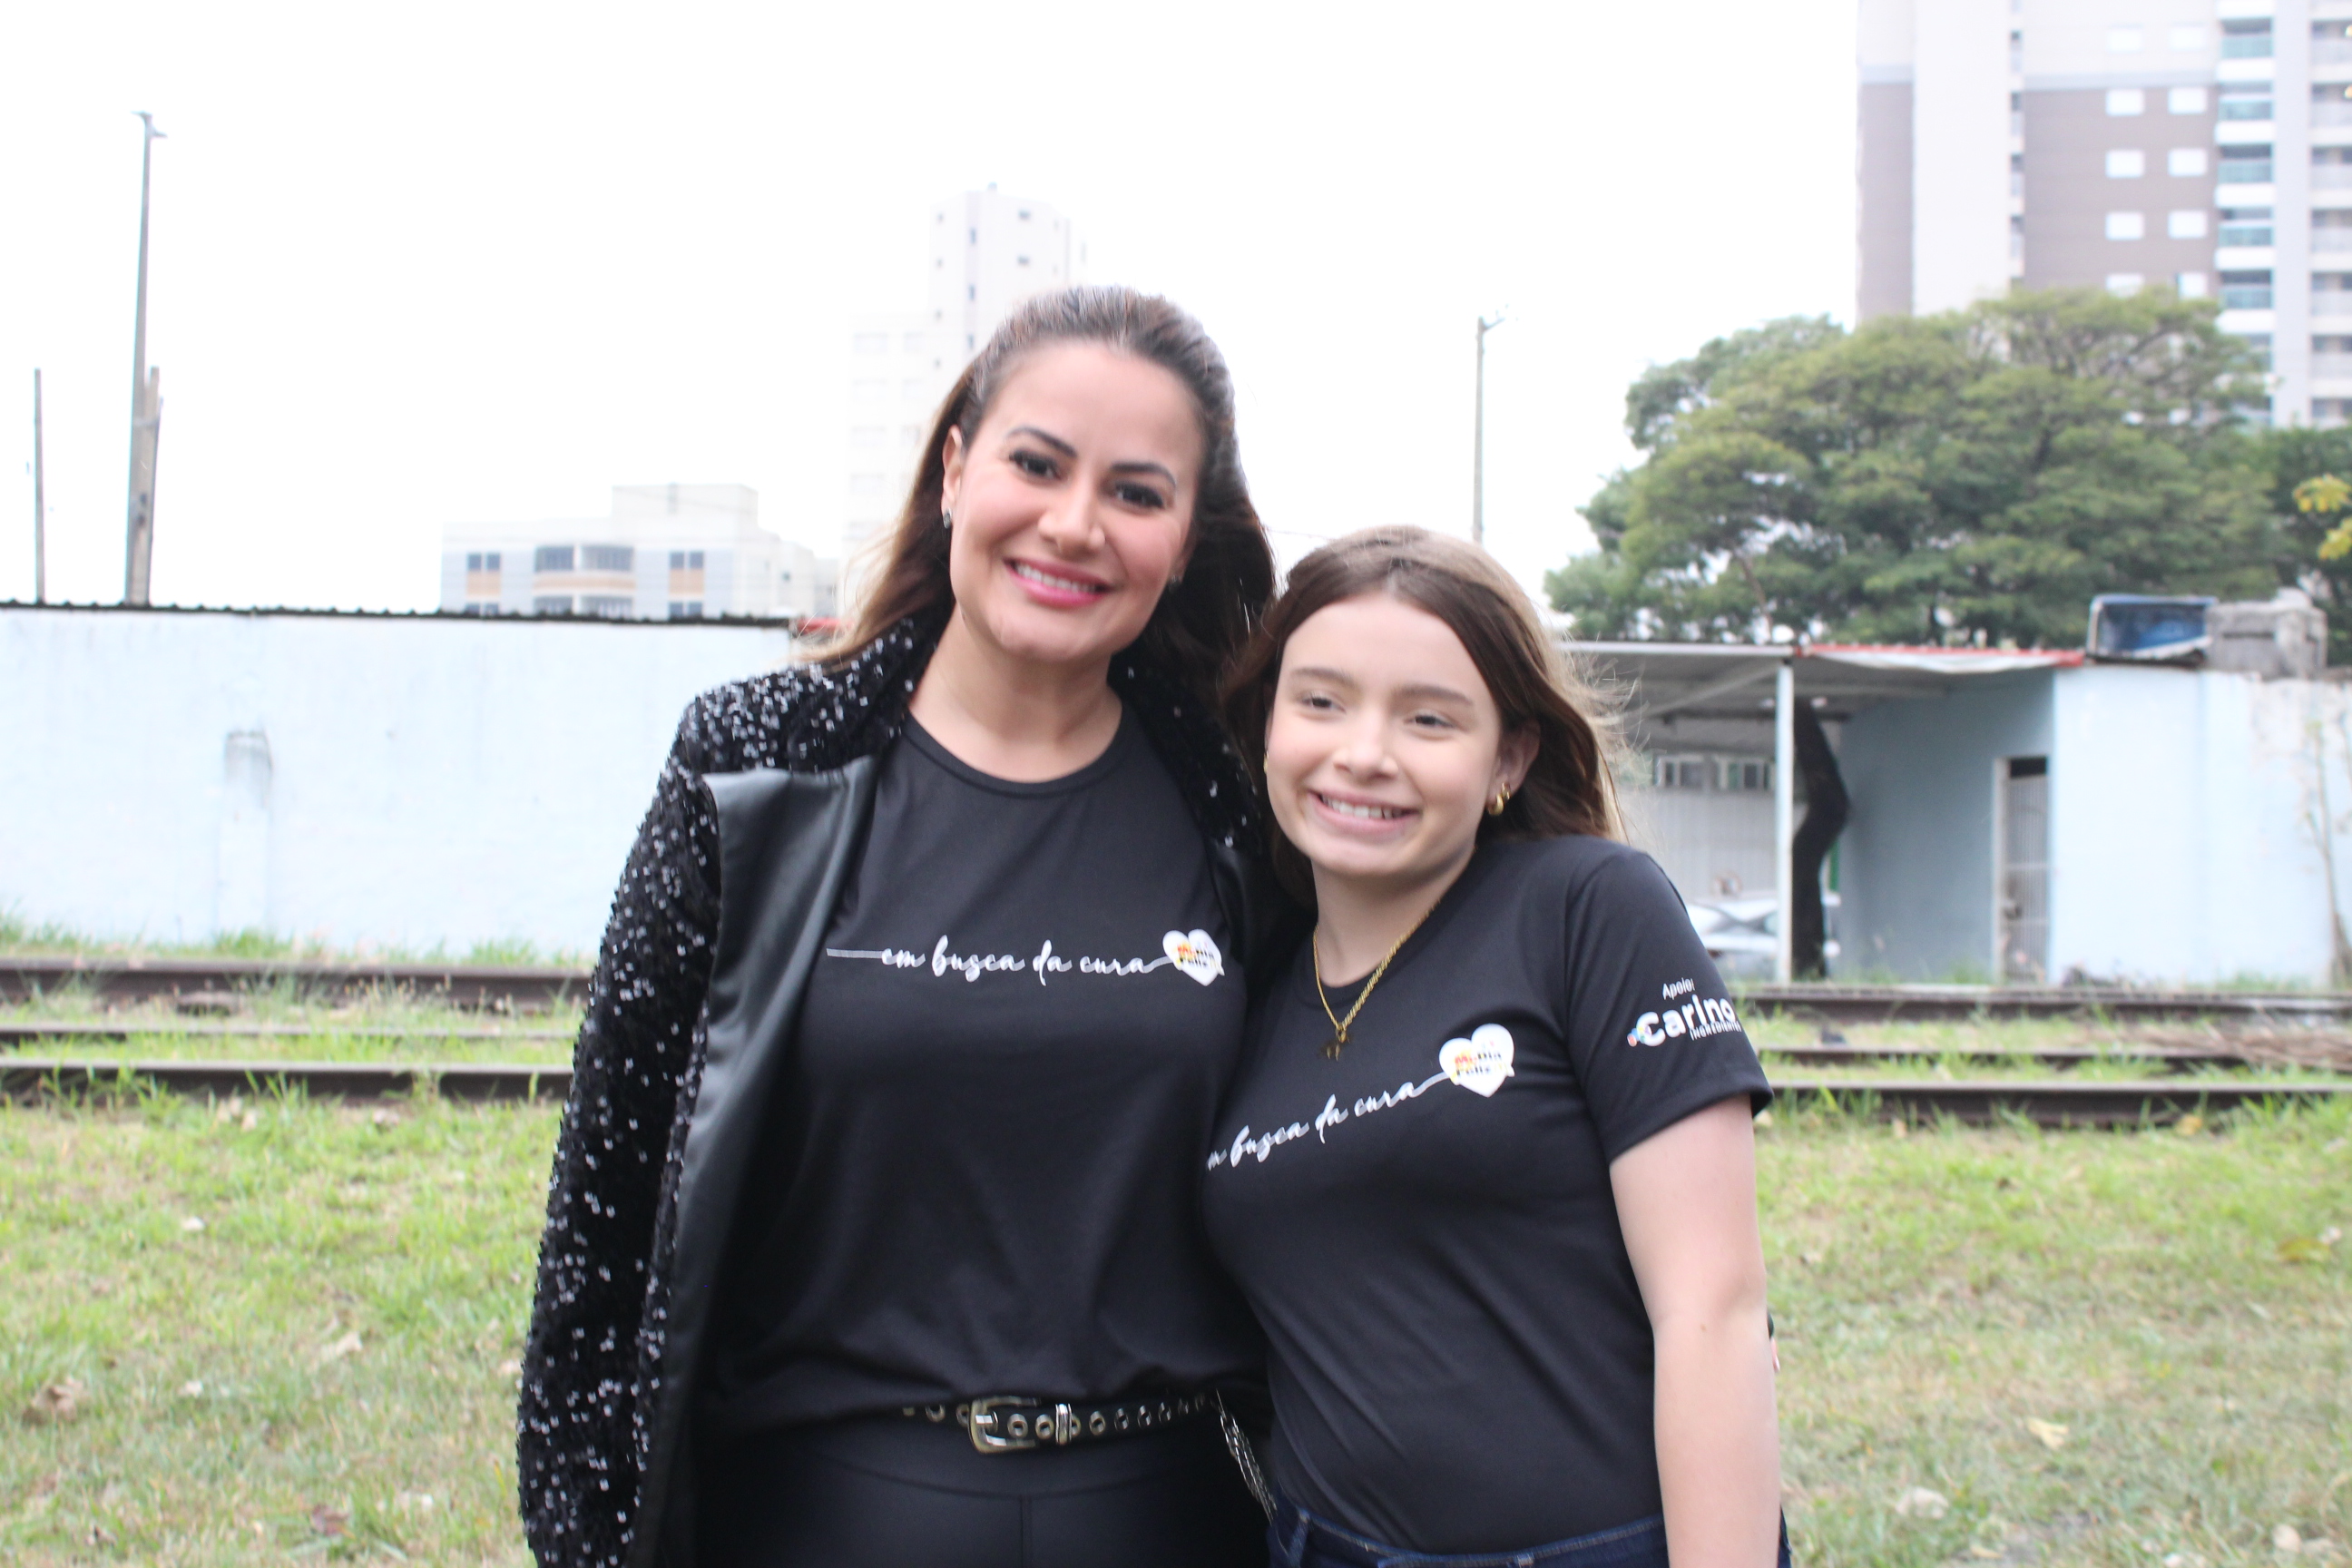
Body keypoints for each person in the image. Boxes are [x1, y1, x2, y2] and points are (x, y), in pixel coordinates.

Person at [518, 285, 1298, 1568]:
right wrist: (590, 1533)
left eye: (1136, 492)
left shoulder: (1244, 803)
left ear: (1185, 538)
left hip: (1174, 1517)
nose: (1074, 523)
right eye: (1036, 464)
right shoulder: (754, 768)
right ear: (953, 472)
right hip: (816, 1512)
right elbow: (609, 1203)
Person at [1203, 526, 1786, 1568]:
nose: (1364, 753)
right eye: (1322, 702)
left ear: (1509, 758)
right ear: (1266, 726)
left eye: (1429, 718)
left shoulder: (1589, 910)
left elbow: (1716, 1310)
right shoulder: (1241, 989)